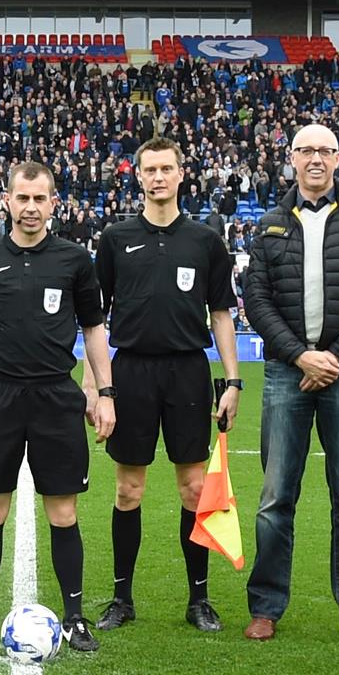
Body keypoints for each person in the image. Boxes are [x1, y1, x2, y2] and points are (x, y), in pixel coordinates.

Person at [0, 161, 116, 653]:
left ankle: (75, 617)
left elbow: (95, 330)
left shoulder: (75, 260)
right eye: (22, 198)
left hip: (57, 396)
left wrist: (103, 392)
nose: (31, 207)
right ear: (7, 201)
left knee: (62, 511)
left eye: (40, 199)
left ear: (53, 203)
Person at [241, 123, 339, 645]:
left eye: (325, 151)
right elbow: (257, 302)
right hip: (288, 373)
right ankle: (265, 606)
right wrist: (301, 355)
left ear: (338, 158)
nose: (315, 159)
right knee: (273, 497)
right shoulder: (268, 224)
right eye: (305, 150)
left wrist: (333, 355)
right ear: (291, 158)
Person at [85, 137, 242, 635]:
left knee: (194, 488)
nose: (158, 177)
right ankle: (121, 596)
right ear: (138, 177)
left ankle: (199, 599)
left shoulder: (204, 240)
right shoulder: (114, 238)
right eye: (149, 169)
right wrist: (95, 383)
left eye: (166, 169)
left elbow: (220, 314)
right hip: (130, 370)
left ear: (180, 174)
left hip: (187, 370)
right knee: (129, 489)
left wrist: (233, 380)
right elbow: (94, 318)